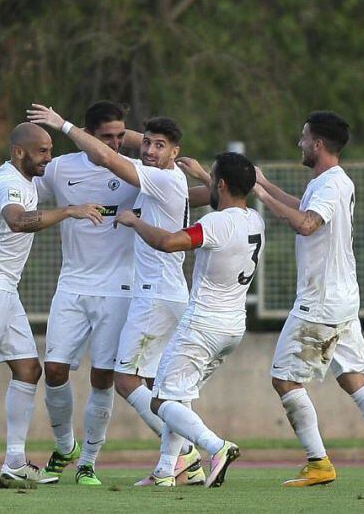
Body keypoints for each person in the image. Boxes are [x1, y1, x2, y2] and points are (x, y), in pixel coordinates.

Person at [29, 103, 206, 486]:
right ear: (90, 135)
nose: (116, 143)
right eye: (106, 136)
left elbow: (183, 193)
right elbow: (26, 190)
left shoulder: (137, 171)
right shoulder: (61, 168)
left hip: (121, 289)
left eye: (120, 136)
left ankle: (89, 462)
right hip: (72, 285)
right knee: (54, 370)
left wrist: (64, 124)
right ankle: (65, 447)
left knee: (106, 377)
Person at [0, 123, 103, 485]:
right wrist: (69, 211)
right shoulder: (10, 181)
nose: (48, 157)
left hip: (4, 289)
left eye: (50, 150)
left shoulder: (21, 179)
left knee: (28, 369)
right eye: (42, 151)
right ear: (19, 152)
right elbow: (17, 221)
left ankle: (14, 461)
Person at [253, 111, 364, 487]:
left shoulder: (330, 184)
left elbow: (306, 224)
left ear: (318, 143)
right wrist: (266, 184)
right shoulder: (331, 181)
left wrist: (261, 197)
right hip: (342, 298)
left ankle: (318, 463)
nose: (300, 144)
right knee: (354, 378)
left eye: (303, 137)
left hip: (320, 302)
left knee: (284, 380)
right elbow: (304, 207)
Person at [115, 151, 264, 488]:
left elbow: (169, 242)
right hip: (233, 327)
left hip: (202, 325)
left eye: (212, 176)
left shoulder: (215, 223)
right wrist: (203, 175)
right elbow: (223, 194)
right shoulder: (256, 220)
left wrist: (135, 221)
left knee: (161, 400)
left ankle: (216, 446)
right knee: (179, 397)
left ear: (221, 184)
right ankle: (165, 470)